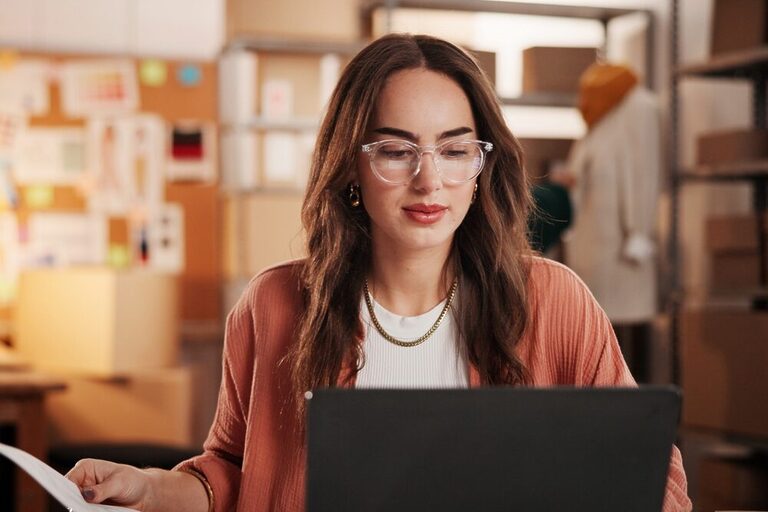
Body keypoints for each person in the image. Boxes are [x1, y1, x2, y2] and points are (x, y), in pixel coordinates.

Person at [66, 34, 693, 511]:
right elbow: (230, 472)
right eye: (395, 150)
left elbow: (650, 471)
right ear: (351, 167)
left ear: (481, 166)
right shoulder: (276, 303)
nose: (430, 180)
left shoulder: (554, 300)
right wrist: (151, 488)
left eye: (454, 150)